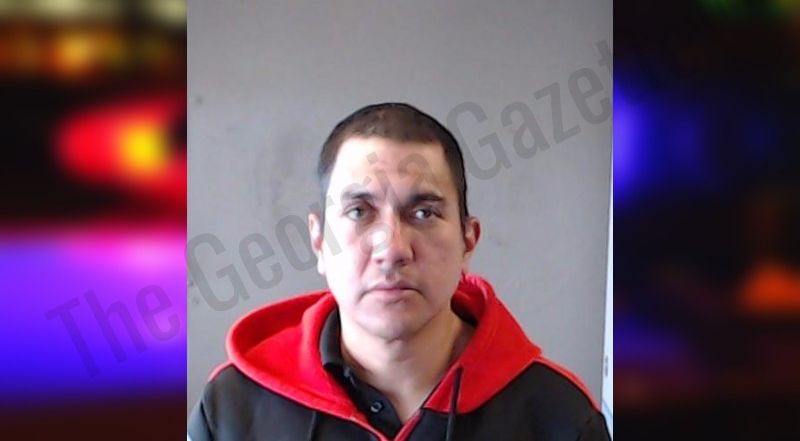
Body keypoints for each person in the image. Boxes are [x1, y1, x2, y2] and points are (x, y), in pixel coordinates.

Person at [188, 102, 611, 440]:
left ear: (468, 241)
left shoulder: (561, 419)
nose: (392, 249)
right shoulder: (230, 410)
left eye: (424, 212)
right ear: (319, 242)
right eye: (359, 211)